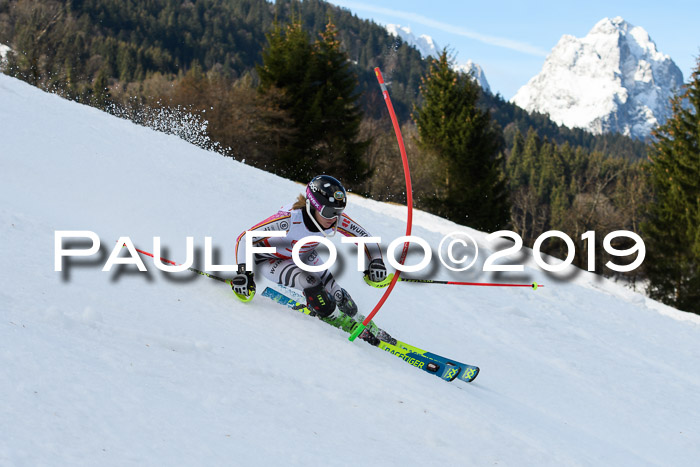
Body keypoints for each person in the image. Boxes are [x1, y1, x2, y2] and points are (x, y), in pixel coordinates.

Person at [230, 175, 390, 344]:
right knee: (312, 283)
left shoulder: (333, 217)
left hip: (302, 254)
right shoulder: (289, 219)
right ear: (313, 206)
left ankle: (358, 319)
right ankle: (334, 318)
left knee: (339, 296)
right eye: (329, 212)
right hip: (269, 258)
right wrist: (244, 273)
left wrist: (376, 261)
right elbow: (245, 238)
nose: (334, 218)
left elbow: (364, 237)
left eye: (339, 211)